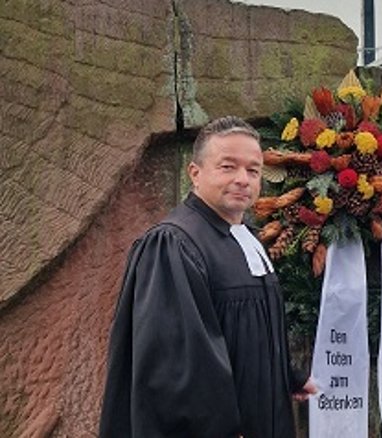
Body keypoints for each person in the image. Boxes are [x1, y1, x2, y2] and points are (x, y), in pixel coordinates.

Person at [99, 116, 316, 437]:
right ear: (195, 174)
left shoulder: (247, 238)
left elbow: (249, 330)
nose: (243, 179)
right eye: (228, 167)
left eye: (253, 170)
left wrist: (289, 374)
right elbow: (178, 367)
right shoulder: (174, 244)